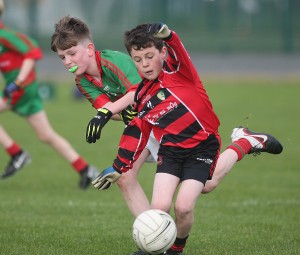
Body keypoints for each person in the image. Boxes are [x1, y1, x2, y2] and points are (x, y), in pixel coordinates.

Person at [91, 23, 283, 255]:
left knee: (184, 205)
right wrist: (119, 166)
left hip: (202, 146)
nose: (144, 64)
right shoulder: (141, 96)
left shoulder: (179, 72)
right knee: (159, 207)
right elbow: (137, 132)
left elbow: (178, 50)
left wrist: (169, 36)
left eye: (150, 56)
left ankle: (176, 249)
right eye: (138, 59)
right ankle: (153, 245)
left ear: (162, 53)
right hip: (171, 149)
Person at [0, 1, 98, 189]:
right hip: (21, 91)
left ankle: (16, 154)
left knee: (46, 134)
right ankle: (85, 169)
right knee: (46, 135)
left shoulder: (4, 35)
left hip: (22, 90)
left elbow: (33, 52)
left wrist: (18, 81)